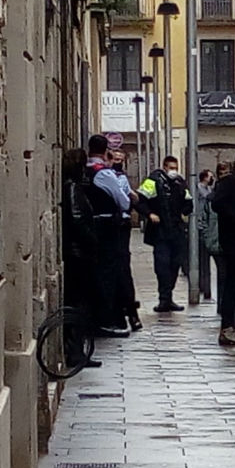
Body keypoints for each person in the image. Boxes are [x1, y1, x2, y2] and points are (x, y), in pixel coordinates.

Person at [84, 135, 132, 337]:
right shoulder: (104, 174)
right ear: (105, 152)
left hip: (88, 227)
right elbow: (124, 202)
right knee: (108, 274)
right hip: (107, 229)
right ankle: (106, 319)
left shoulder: (83, 170)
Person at [60, 148, 102, 368]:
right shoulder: (73, 188)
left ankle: (76, 350)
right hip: (79, 256)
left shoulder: (71, 187)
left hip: (76, 254)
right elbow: (77, 219)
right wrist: (92, 240)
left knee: (78, 303)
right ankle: (75, 351)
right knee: (80, 303)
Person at [139, 155, 193, 313]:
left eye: (176, 168)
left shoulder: (180, 182)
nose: (174, 171)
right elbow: (140, 200)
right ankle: (164, 298)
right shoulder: (153, 181)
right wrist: (149, 214)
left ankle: (168, 297)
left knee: (175, 264)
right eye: (171, 168)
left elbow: (188, 201)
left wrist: (184, 212)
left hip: (176, 230)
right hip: (160, 231)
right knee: (162, 265)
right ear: (164, 167)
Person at [210, 153, 235, 346]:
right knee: (234, 283)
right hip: (233, 240)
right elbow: (217, 203)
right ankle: (227, 327)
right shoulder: (229, 182)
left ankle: (232, 326)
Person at [107, 148, 143, 332]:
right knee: (120, 270)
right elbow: (126, 200)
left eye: (121, 159)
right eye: (115, 158)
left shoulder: (120, 177)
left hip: (121, 225)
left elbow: (130, 198)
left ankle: (128, 311)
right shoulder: (106, 175)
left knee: (122, 268)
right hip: (113, 225)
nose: (118, 162)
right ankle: (126, 312)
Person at [196, 169, 217, 300]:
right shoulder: (199, 190)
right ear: (204, 177)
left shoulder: (209, 189)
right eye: (210, 176)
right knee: (203, 260)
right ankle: (203, 286)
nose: (212, 178)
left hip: (208, 226)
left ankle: (206, 288)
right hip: (202, 225)